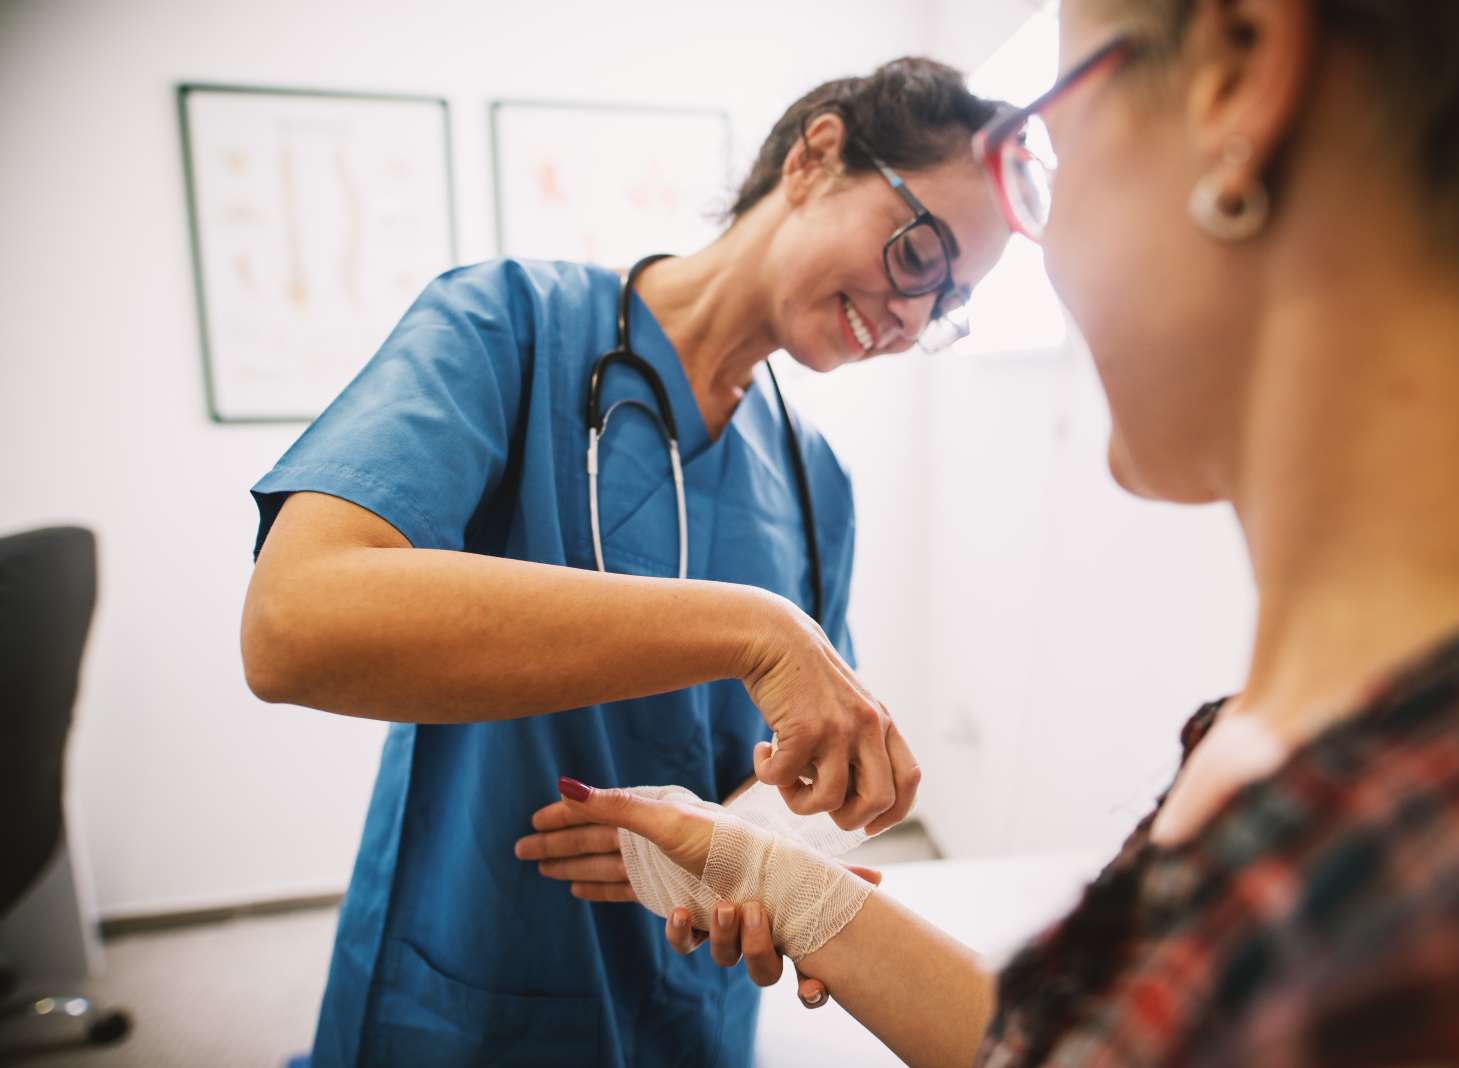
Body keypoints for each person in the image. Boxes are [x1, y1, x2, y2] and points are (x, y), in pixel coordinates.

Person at [523, 0, 1459, 1064]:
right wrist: (779, 881)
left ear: (1237, 70)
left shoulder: (1451, 892)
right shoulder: (1356, 769)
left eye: (1052, 152)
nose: (914, 319)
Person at [240, 59, 1013, 1067]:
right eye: (923, 256)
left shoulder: (815, 480)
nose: (912, 321)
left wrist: (759, 856)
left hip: (694, 998)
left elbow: (791, 777)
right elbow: (294, 625)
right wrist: (754, 627)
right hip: (472, 983)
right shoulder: (506, 327)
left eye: (947, 305)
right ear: (816, 158)